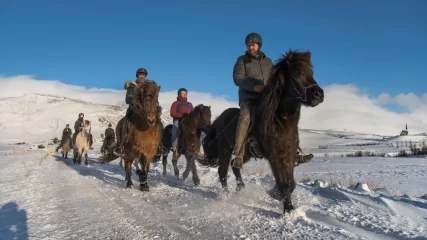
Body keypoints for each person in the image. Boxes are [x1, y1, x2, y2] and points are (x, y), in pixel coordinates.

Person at [231, 32, 274, 169]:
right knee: (245, 116)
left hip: (265, 98)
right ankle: (238, 154)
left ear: (259, 45)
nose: (250, 48)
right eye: (248, 45)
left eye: (253, 45)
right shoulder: (242, 60)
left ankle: (293, 153)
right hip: (248, 97)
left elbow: (274, 79)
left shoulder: (268, 62)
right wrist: (253, 87)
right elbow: (238, 78)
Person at [116, 68, 163, 153]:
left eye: (143, 75)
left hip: (147, 110)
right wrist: (136, 102)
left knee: (159, 123)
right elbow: (128, 99)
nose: (142, 76)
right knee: (124, 123)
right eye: (140, 75)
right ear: (137, 76)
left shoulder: (150, 87)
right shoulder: (132, 86)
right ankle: (120, 145)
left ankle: (160, 145)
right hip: (134, 110)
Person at [170, 88, 193, 158]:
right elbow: (173, 113)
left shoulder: (190, 104)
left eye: (185, 93)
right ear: (179, 94)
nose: (184, 94)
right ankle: (174, 148)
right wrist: (182, 115)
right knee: (175, 130)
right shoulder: (175, 103)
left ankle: (196, 149)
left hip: (188, 121)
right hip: (178, 120)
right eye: (183, 93)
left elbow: (193, 113)